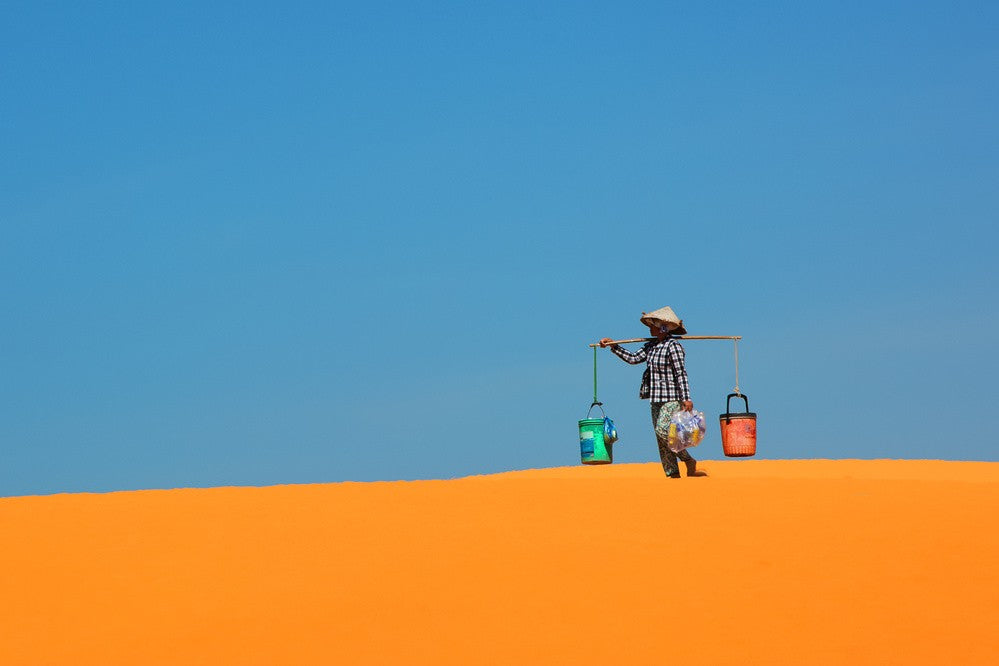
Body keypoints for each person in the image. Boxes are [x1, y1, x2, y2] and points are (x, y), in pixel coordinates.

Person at [600, 306, 707, 479]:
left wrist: (686, 398)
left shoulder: (673, 347)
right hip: (655, 398)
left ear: (663, 327)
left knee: (663, 431)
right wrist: (614, 346)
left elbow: (681, 373)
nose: (650, 328)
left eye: (653, 325)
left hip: (672, 398)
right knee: (661, 440)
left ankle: (688, 460)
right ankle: (672, 474)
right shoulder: (651, 346)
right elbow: (633, 359)